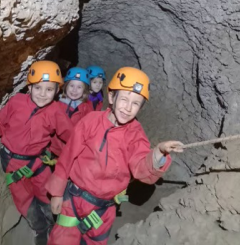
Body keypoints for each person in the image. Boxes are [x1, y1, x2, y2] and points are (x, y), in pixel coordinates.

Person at [46, 67, 183, 245]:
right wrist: (56, 193)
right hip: (74, 199)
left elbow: (141, 169)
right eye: (124, 99)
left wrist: (159, 153)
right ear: (111, 97)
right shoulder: (91, 121)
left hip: (103, 209)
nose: (128, 108)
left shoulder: (136, 134)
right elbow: (67, 156)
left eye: (135, 103)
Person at [0, 60, 74, 245]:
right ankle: (40, 228)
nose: (42, 94)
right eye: (38, 88)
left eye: (49, 89)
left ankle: (53, 223)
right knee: (23, 199)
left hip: (38, 161)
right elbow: (0, 123)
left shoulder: (56, 111)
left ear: (57, 91)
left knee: (46, 191)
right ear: (29, 87)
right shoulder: (16, 102)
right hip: (12, 162)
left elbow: (70, 136)